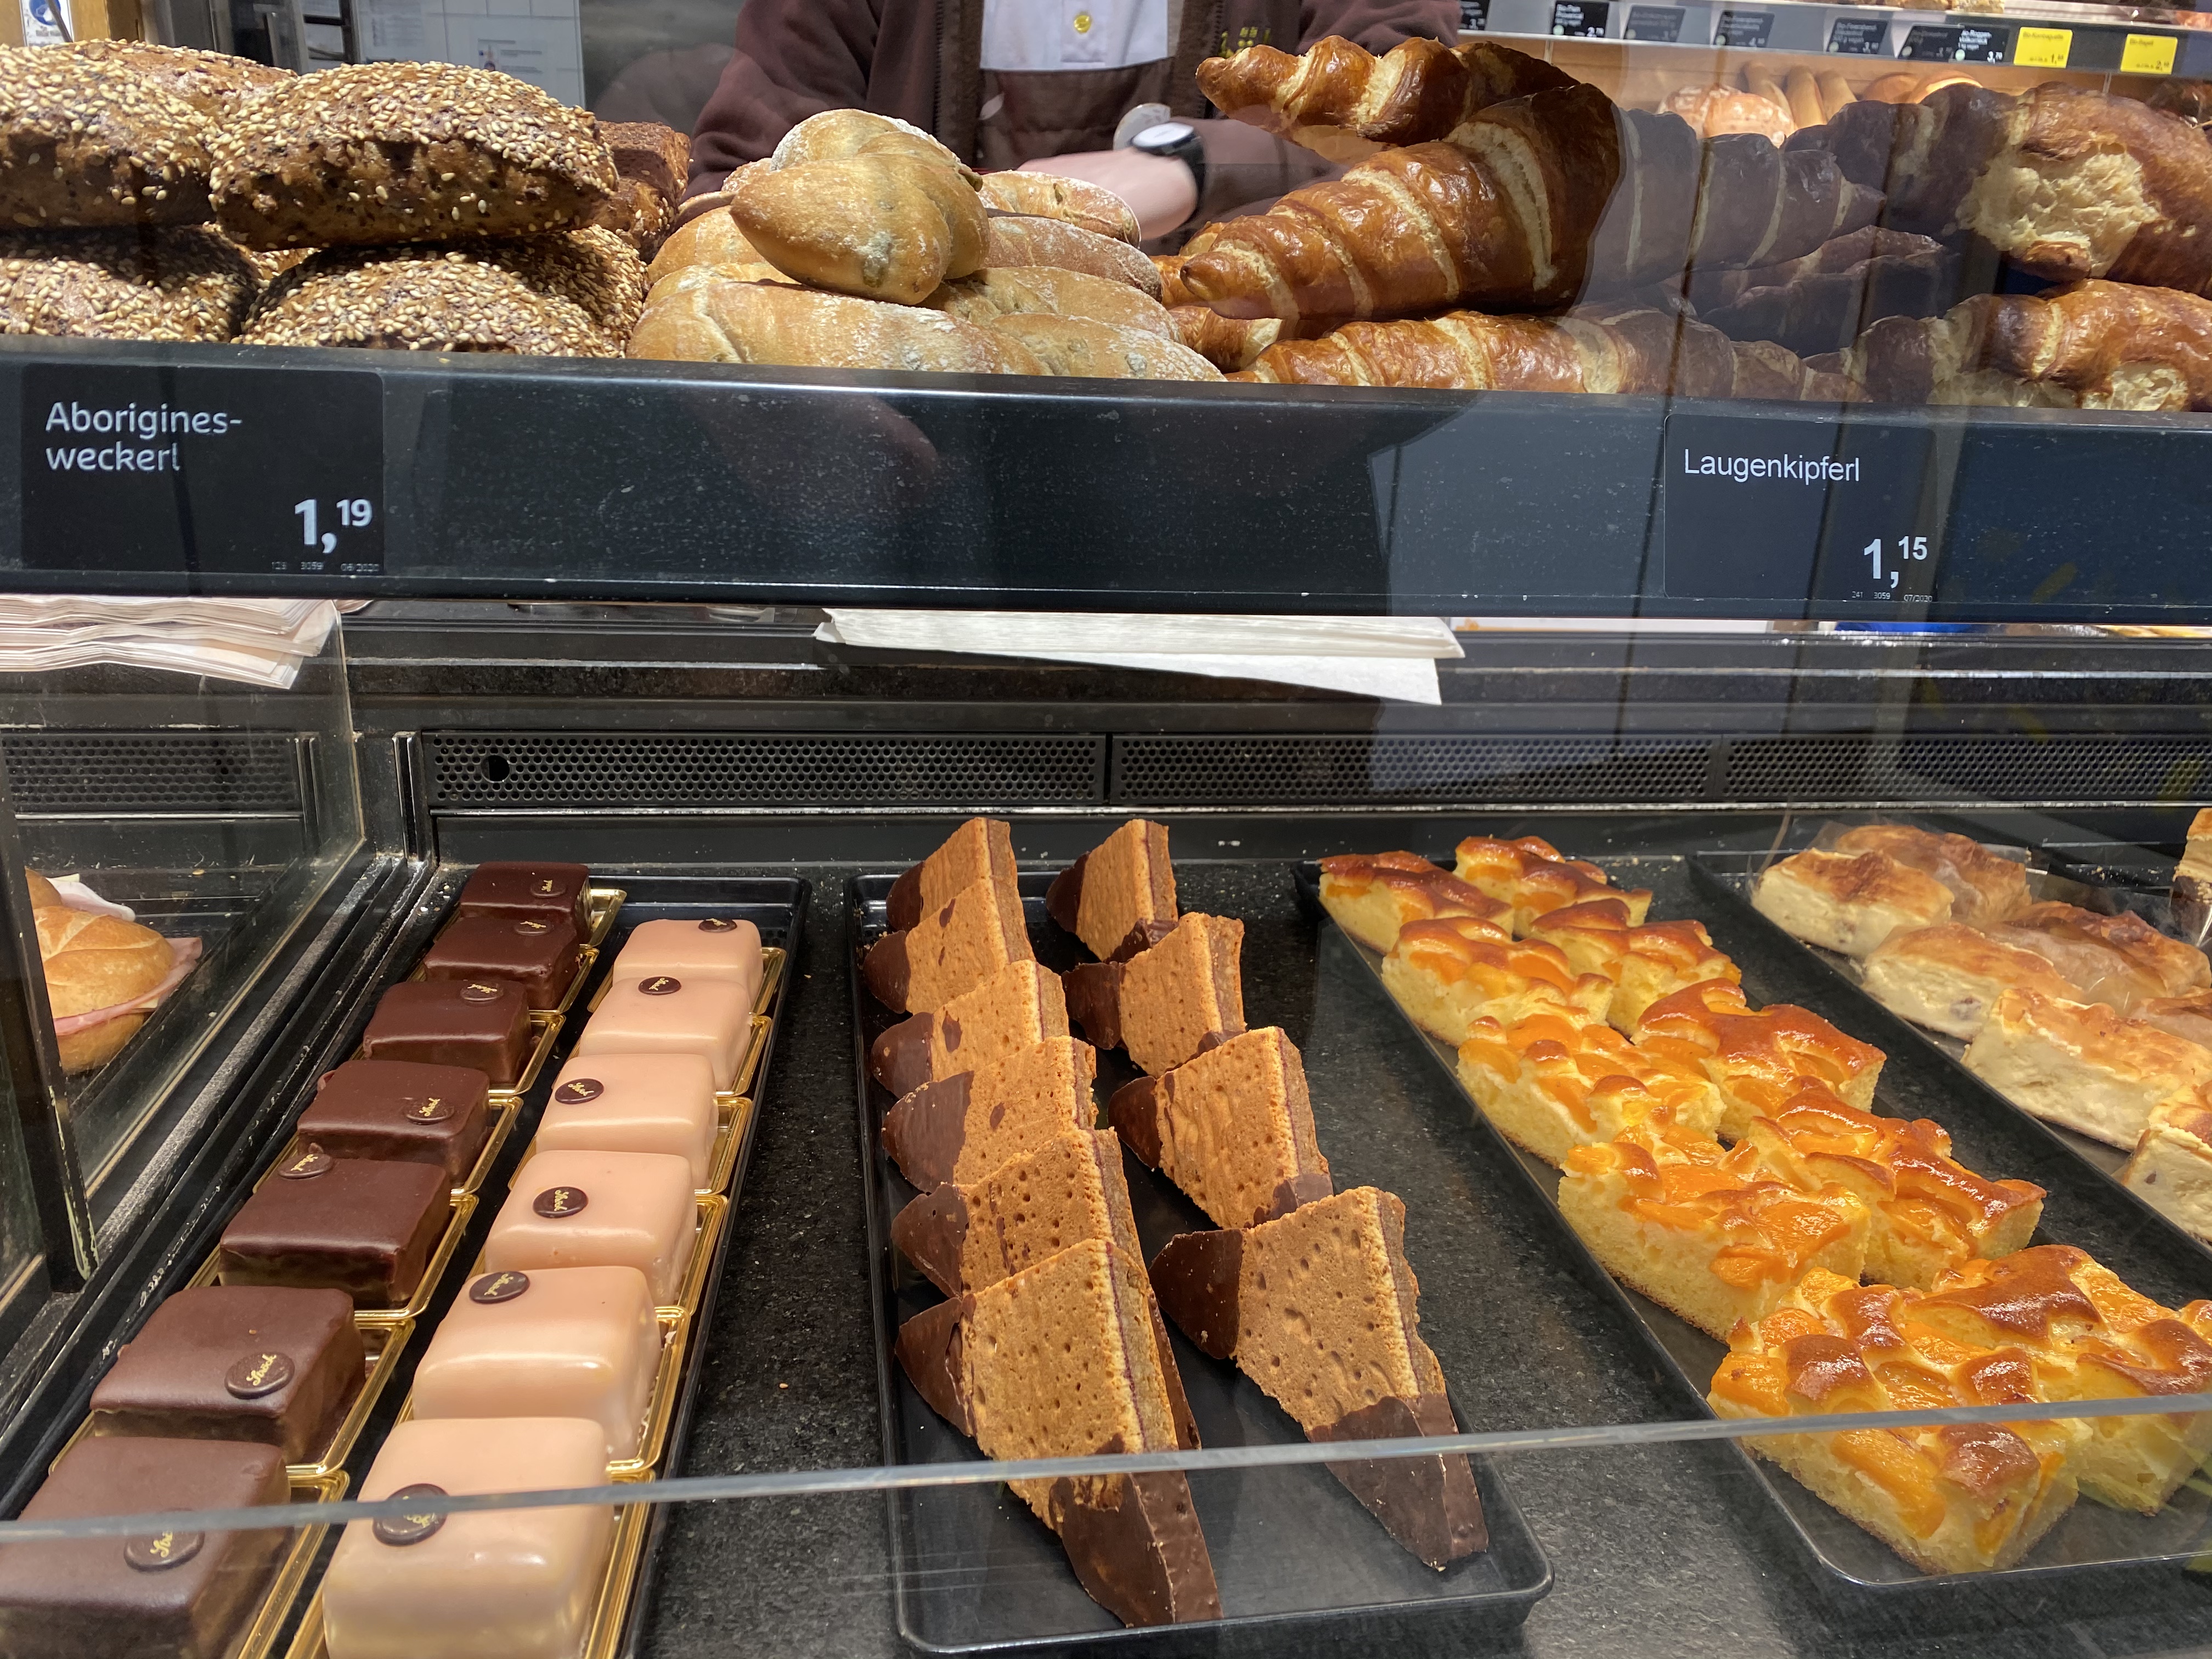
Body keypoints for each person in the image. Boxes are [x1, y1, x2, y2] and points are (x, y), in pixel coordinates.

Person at [686, 0, 1464, 239]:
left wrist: (1195, 162)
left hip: (1254, 450)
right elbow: (741, 188)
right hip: (917, 452)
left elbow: (1427, 153)